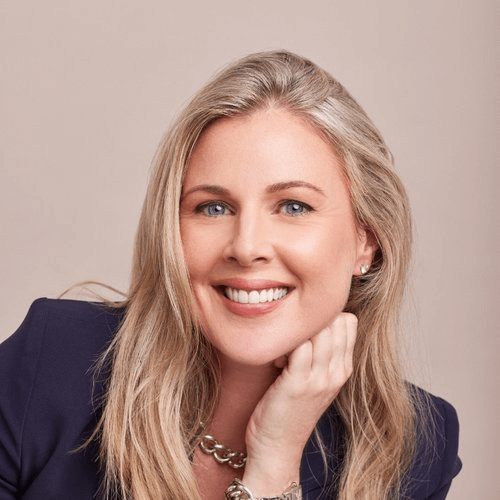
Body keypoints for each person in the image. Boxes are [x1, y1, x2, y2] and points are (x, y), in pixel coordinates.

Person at [0, 50, 461, 500]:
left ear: (367, 240)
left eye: (293, 206)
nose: (246, 246)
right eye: (213, 208)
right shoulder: (51, 362)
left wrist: (276, 459)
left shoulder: (417, 451)